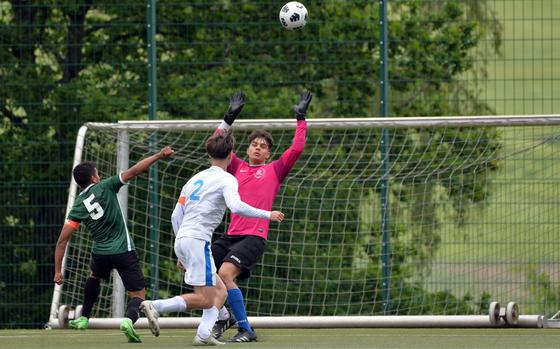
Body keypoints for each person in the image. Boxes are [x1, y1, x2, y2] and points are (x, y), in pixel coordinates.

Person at [140, 131, 284, 346]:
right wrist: (267, 214)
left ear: (209, 154)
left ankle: (204, 334)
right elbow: (236, 207)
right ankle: (157, 306)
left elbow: (174, 215)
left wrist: (182, 248)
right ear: (231, 155)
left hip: (182, 239)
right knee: (205, 298)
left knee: (221, 291)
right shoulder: (228, 179)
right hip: (197, 241)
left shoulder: (194, 179)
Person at [211, 90, 312, 342]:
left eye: (263, 146)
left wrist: (301, 118)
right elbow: (216, 144)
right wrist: (228, 118)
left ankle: (246, 329)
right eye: (255, 144)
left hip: (253, 236)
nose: (258, 148)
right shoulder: (236, 166)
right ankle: (226, 316)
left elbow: (297, 147)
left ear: (268, 154)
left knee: (224, 274)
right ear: (247, 149)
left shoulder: (275, 170)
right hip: (230, 235)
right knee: (199, 269)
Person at [53, 146, 174, 343]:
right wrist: (159, 155)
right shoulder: (107, 186)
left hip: (100, 253)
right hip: (123, 250)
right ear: (94, 179)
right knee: (138, 295)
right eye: (97, 173)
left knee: (94, 276)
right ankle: (128, 320)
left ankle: (84, 318)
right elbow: (135, 170)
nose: (99, 175)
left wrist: (58, 271)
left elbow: (62, 241)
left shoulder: (78, 206)